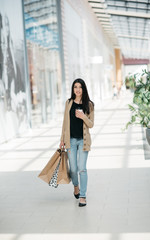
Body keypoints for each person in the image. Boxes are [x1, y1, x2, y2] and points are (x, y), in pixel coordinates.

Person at [60, 78, 94, 207]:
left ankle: (83, 196)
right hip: (71, 141)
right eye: (75, 87)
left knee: (82, 169)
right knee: (73, 169)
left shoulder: (89, 104)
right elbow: (64, 123)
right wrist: (62, 140)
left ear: (83, 89)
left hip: (83, 141)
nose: (78, 89)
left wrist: (83, 116)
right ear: (73, 89)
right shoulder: (68, 103)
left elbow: (91, 124)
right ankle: (76, 186)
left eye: (80, 87)